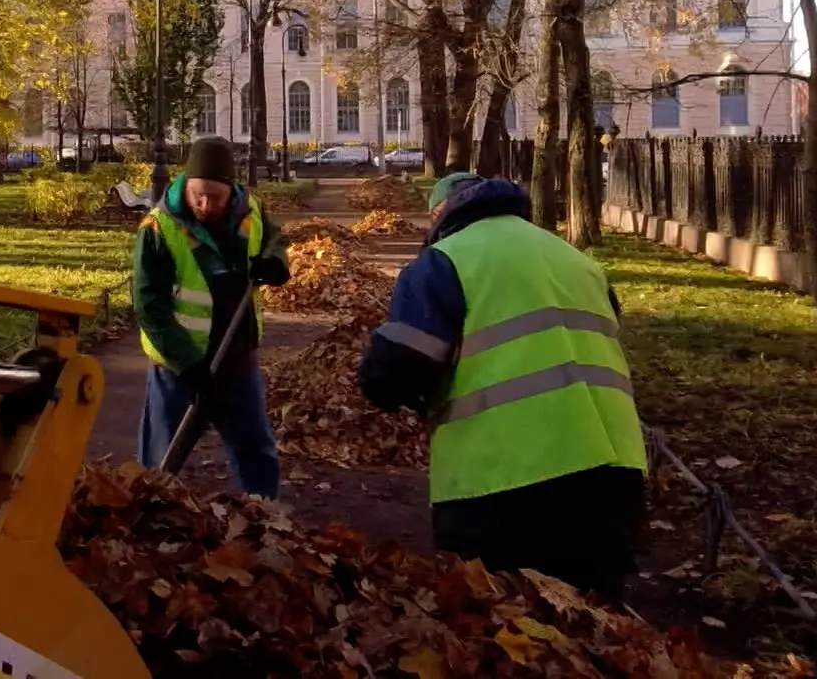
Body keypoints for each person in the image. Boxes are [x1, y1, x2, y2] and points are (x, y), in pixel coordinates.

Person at [358, 171, 647, 601]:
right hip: (615, 476)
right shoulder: (577, 260)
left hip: (508, 481)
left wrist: (375, 383)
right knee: (594, 626)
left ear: (441, 214)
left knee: (504, 627)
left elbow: (401, 366)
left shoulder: (445, 261)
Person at [133, 136, 290, 498]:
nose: (204, 204)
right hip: (179, 369)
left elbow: (274, 241)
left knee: (255, 450)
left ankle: (263, 517)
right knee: (160, 458)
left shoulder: (251, 210)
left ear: (231, 189)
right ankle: (145, 518)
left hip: (237, 361)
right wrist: (186, 362)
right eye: (197, 195)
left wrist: (276, 265)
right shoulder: (159, 228)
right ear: (186, 185)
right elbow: (149, 305)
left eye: (214, 198)